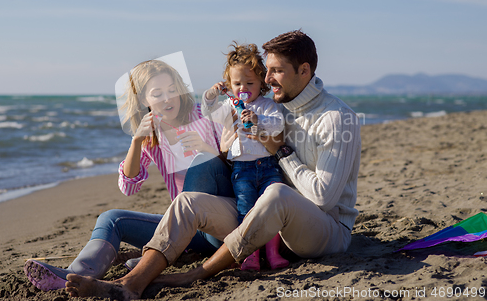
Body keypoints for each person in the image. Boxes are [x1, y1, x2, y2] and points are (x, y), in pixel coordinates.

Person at [64, 30, 361, 301]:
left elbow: (323, 198)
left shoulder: (337, 118)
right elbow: (227, 115)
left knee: (277, 192)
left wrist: (280, 150)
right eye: (267, 70)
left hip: (323, 231)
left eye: (276, 71)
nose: (267, 79)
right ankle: (131, 283)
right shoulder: (277, 108)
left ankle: (198, 272)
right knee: (186, 203)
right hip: (266, 222)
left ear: (304, 70)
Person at [24, 58, 235, 292]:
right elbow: (129, 187)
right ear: (144, 99)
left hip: (221, 224)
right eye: (157, 93)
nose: (167, 98)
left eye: (172, 90)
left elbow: (236, 162)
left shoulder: (205, 114)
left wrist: (208, 149)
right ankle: (75, 275)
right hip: (188, 232)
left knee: (201, 163)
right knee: (111, 218)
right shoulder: (151, 136)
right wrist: (137, 141)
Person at [202, 42, 289, 271]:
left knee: (269, 209)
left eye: (250, 83)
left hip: (269, 166)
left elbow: (278, 123)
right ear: (230, 85)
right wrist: (211, 95)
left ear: (261, 83)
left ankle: (273, 254)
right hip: (242, 171)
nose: (244, 88)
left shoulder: (267, 106)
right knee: (246, 211)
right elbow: (207, 112)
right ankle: (250, 255)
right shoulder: (230, 107)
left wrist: (259, 121)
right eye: (237, 83)